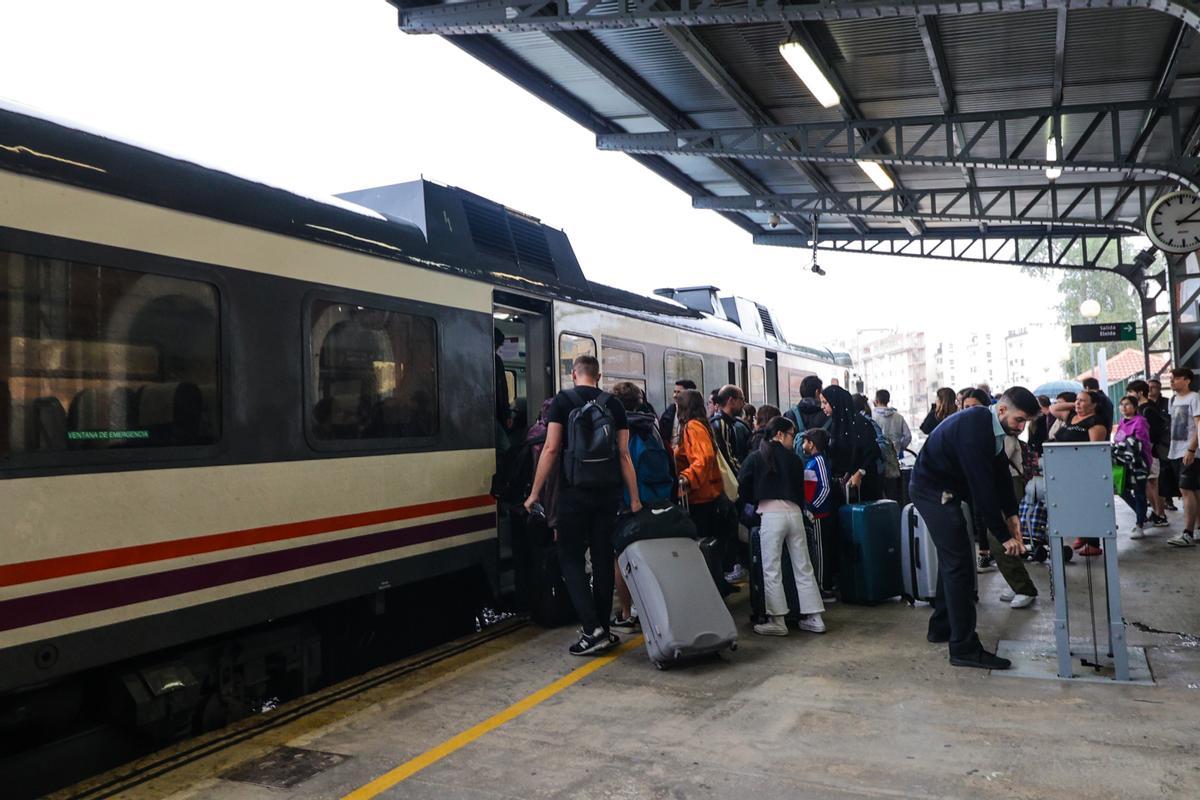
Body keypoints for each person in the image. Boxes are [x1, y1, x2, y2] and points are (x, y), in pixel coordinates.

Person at [909, 387, 1039, 670]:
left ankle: (942, 626)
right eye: (1020, 420)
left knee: (953, 562)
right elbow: (982, 490)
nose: (1022, 426)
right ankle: (964, 648)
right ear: (1002, 410)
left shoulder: (990, 425)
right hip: (933, 491)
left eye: (1026, 422)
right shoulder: (974, 428)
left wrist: (1012, 515)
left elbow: (1000, 472)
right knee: (960, 567)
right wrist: (1003, 537)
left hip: (946, 488)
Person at [523, 355, 642, 656]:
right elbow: (624, 455)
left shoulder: (563, 402)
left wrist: (535, 493)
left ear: (574, 374)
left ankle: (592, 629)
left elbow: (550, 449)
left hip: (573, 494)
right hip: (608, 495)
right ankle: (602, 625)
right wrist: (635, 498)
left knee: (571, 559)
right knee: (603, 559)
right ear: (599, 376)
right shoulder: (613, 404)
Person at [737, 416, 826, 636]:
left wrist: (755, 500)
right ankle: (814, 618)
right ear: (779, 434)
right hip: (794, 514)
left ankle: (778, 620)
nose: (792, 439)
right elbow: (800, 491)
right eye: (790, 434)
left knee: (772, 568)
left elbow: (742, 486)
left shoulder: (756, 457)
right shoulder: (795, 459)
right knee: (804, 567)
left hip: (770, 515)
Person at [609, 381, 673, 632]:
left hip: (628, 501)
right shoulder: (651, 425)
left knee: (621, 557)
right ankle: (654, 607)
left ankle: (627, 613)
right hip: (656, 497)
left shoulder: (617, 428)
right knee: (653, 553)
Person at [674, 388, 737, 595]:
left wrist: (687, 478)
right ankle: (717, 585)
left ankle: (713, 589)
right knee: (712, 545)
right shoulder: (702, 425)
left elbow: (703, 459)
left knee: (705, 544)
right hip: (709, 494)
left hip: (701, 496)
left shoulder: (692, 426)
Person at [1050, 389, 1109, 557]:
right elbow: (1054, 409)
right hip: (1064, 469)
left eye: (1083, 401)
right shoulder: (1070, 416)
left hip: (1084, 471)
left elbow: (1094, 452)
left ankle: (1093, 542)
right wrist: (1075, 403)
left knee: (1088, 504)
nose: (1078, 403)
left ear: (1095, 404)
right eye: (1077, 400)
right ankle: (1082, 534)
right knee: (1075, 503)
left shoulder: (1096, 422)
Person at [819, 385, 883, 501]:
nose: (822, 407)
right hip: (841, 488)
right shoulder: (833, 424)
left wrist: (860, 472)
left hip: (863, 487)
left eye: (825, 402)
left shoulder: (860, 424)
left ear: (836, 402)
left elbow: (872, 452)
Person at [801, 428, 838, 603]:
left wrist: (813, 508)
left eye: (805, 441)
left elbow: (825, 487)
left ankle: (824, 586)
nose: (803, 445)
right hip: (814, 513)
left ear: (812, 444)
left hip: (820, 515)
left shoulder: (819, 462)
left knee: (821, 552)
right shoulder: (812, 462)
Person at [1127, 379, 1169, 527]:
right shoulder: (1143, 408)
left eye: (1131, 392)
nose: (1129, 396)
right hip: (1147, 451)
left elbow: (1155, 432)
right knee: (1150, 483)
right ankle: (1158, 514)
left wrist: (1147, 449)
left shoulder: (1148, 409)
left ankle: (1160, 514)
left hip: (1151, 452)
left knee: (1152, 483)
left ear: (1140, 393)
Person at [1167, 368, 1200, 547]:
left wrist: (1192, 449)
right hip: (1175, 450)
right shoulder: (1173, 399)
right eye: (1171, 378)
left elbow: (1199, 425)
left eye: (1176, 378)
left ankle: (1187, 533)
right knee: (1193, 490)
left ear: (1187, 380)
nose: (1172, 381)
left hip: (1189, 451)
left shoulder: (1194, 398)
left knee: (1186, 490)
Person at [1115, 395, 1154, 539]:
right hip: (1124, 463)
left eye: (1127, 404)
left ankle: (1140, 525)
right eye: (1122, 404)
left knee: (1139, 494)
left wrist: (1125, 444)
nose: (1124, 407)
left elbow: (1139, 443)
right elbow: (1118, 440)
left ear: (1135, 407)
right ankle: (1143, 515)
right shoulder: (1122, 422)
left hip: (1139, 463)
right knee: (1122, 491)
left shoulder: (1140, 422)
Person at [1150, 377, 1179, 511]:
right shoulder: (1146, 405)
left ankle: (1169, 499)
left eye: (1153, 387)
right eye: (1148, 387)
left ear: (1159, 388)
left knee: (1168, 470)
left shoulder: (1167, 403)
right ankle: (1157, 503)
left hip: (1166, 442)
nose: (1150, 389)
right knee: (1156, 474)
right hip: (1151, 442)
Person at [711, 384, 752, 471]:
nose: (743, 404)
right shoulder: (721, 424)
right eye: (742, 399)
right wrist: (742, 475)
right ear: (731, 400)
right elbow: (728, 458)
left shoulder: (729, 422)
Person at [873, 389, 912, 456]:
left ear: (877, 401)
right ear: (888, 400)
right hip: (895, 455)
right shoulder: (898, 417)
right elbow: (908, 436)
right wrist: (900, 447)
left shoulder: (872, 416)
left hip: (878, 456)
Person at [659, 379, 695, 449]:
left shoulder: (695, 414)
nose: (675, 395)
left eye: (679, 392)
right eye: (674, 392)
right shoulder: (668, 414)